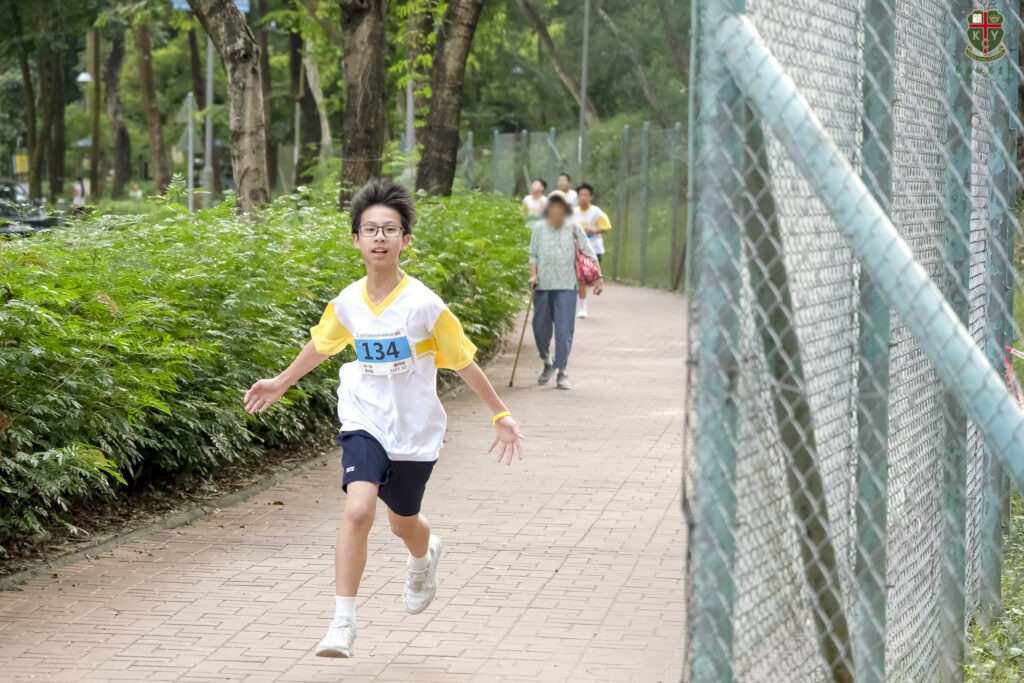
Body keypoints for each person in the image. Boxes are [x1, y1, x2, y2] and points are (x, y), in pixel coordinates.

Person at [243, 179, 525, 659]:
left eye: (389, 229)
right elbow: (322, 345)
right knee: (358, 510)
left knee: (404, 524)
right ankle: (342, 622)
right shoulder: (348, 302)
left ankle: (424, 556)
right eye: (370, 229)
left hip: (414, 429)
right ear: (355, 239)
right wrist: (281, 382)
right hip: (364, 418)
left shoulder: (425, 304)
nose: (379, 237)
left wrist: (501, 413)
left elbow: (463, 362)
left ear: (405, 240)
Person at [528, 194, 604, 390]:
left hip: (567, 286)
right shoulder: (538, 228)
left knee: (564, 330)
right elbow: (533, 255)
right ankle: (547, 361)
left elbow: (589, 252)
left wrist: (599, 277)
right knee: (540, 329)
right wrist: (533, 276)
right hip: (543, 287)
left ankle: (562, 371)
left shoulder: (574, 228)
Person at [573, 183, 612, 319]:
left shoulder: (596, 212)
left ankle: (596, 283)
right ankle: (582, 306)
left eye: (586, 195)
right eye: (580, 195)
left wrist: (592, 231)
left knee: (590, 278)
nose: (583, 197)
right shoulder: (573, 213)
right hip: (578, 250)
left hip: (594, 249)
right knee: (581, 279)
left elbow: (606, 227)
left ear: (591, 197)